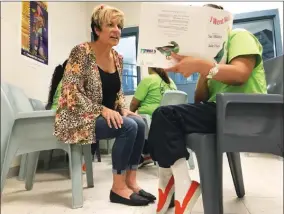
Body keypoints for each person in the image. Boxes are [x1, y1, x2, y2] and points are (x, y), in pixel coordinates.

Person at [147, 4, 268, 214]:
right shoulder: (213, 56)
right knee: (163, 116)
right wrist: (203, 71)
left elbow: (241, 74)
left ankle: (176, 184)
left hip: (243, 111)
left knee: (165, 115)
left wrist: (204, 66)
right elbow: (200, 99)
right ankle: (172, 182)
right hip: (220, 111)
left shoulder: (238, 36)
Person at [53, 4, 155, 206]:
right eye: (110, 25)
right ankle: (117, 188)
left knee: (139, 122)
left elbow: (116, 91)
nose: (117, 30)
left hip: (100, 115)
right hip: (78, 117)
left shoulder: (117, 58)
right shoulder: (81, 52)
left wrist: (122, 108)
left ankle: (131, 181)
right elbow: (70, 92)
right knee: (127, 126)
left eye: (119, 25)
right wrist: (102, 109)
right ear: (97, 29)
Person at [130, 67, 177, 168]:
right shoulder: (170, 81)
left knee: (131, 122)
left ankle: (138, 157)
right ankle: (147, 154)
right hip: (171, 121)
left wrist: (129, 114)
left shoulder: (148, 80)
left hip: (152, 119)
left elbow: (134, 103)